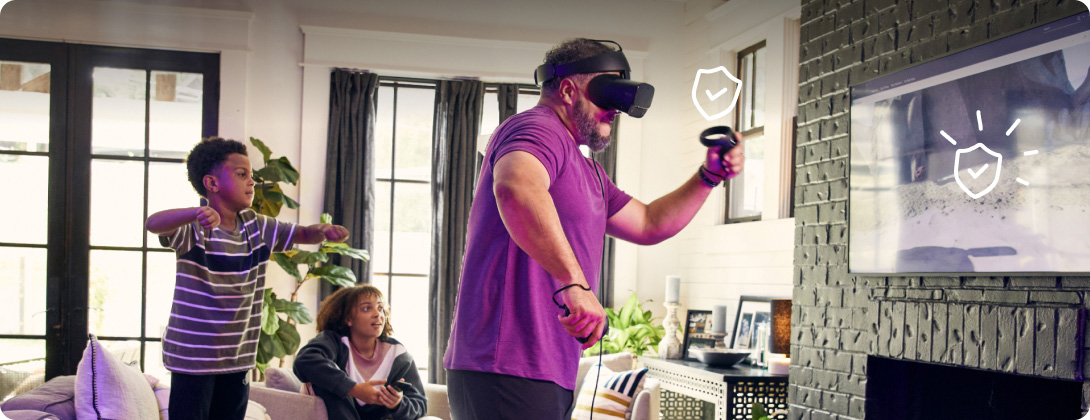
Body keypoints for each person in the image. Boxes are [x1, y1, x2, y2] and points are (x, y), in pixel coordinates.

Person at [443, 38, 745, 420]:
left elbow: (650, 223)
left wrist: (709, 176)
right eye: (607, 95)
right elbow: (516, 186)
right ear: (568, 90)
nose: (616, 111)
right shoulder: (537, 129)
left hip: (545, 368)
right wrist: (574, 283)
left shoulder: (587, 171)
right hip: (506, 363)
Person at [145, 137, 350, 420]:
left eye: (251, 176)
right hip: (193, 360)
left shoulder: (257, 227)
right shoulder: (192, 229)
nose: (252, 182)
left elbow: (302, 234)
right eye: (242, 174)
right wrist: (195, 212)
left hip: (237, 357)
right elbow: (152, 224)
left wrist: (321, 232)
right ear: (212, 184)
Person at [293, 285, 429, 420]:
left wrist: (398, 404)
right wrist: (353, 389)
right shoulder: (333, 341)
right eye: (366, 308)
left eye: (380, 308)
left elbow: (420, 405)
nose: (378, 314)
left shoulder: (397, 354)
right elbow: (304, 360)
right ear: (348, 319)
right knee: (325, 381)